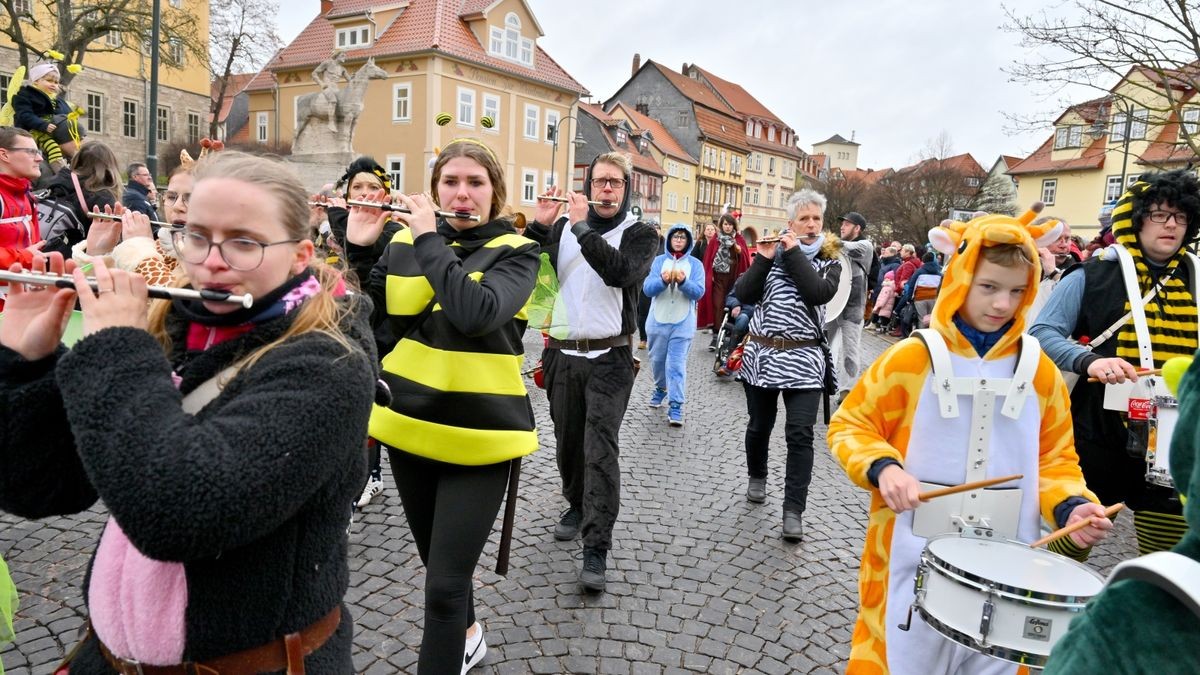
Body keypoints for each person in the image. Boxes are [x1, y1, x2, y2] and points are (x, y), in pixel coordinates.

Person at [0, 151, 377, 673]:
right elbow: (43, 486)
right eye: (195, 235)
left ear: (299, 255)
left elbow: (176, 514)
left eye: (244, 242)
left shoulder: (328, 366)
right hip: (109, 658)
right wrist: (26, 363)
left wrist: (116, 348)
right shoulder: (172, 325)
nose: (212, 260)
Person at [828, 209, 1113, 675]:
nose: (1003, 303)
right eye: (989, 287)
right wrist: (885, 467)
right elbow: (850, 425)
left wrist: (1071, 506)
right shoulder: (910, 359)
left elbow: (1055, 459)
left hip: (1011, 571)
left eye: (1017, 291)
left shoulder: (1040, 372)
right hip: (907, 560)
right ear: (960, 278)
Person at [346, 137, 539, 673]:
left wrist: (427, 236)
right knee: (437, 565)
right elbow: (370, 328)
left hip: (481, 436)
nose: (462, 194)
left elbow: (475, 312)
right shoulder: (402, 243)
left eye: (475, 183)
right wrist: (360, 251)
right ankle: (469, 636)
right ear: (434, 189)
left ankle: (456, 638)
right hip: (409, 426)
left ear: (495, 192)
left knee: (443, 588)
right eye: (450, 182)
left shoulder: (520, 253)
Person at [1030, 170, 1200, 557]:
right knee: (1068, 543)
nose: (1171, 224)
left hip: (1175, 441)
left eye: (1180, 216)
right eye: (1159, 214)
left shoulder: (1198, 280)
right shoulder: (1093, 274)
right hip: (1097, 435)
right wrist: (1087, 362)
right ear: (1137, 219)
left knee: (1167, 561)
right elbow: (1042, 332)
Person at [528, 152, 658, 593]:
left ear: (626, 189)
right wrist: (540, 229)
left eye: (614, 183)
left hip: (611, 357)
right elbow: (540, 286)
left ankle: (596, 547)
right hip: (563, 353)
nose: (606, 189)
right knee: (567, 443)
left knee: (599, 448)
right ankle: (576, 504)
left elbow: (620, 274)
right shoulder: (563, 230)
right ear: (587, 186)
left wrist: (582, 228)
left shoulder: (640, 234)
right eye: (599, 181)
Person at [1043, 355, 1200, 675]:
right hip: (1103, 449)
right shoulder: (1090, 300)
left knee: (1166, 591)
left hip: (1166, 475)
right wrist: (1088, 361)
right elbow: (1047, 331)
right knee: (1058, 571)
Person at [734, 189, 843, 541]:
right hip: (764, 357)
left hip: (805, 359)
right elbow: (744, 294)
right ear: (790, 223)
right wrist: (763, 259)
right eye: (804, 219)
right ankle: (757, 476)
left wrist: (793, 251)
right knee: (759, 426)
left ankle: (793, 509)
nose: (812, 225)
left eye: (817, 220)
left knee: (800, 434)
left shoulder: (831, 261)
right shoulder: (771, 255)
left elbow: (816, 292)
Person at [319, 156, 401, 510]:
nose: (365, 193)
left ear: (384, 195)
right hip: (334, 326)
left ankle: (371, 475)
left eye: (373, 188)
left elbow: (362, 255)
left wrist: (337, 217)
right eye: (358, 188)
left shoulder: (393, 231)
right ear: (348, 192)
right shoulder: (328, 227)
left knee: (371, 407)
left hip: (378, 331)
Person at [643, 224, 705, 426]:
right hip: (658, 322)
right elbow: (647, 289)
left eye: (682, 237)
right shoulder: (658, 261)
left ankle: (676, 405)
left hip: (682, 323)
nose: (678, 240)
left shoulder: (695, 265)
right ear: (669, 239)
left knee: (676, 365)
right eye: (675, 237)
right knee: (658, 360)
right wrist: (662, 280)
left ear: (688, 241)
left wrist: (685, 282)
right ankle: (661, 388)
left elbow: (699, 292)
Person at [42, 141, 122, 257]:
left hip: (42, 250)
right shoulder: (102, 196)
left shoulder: (55, 181)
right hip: (79, 260)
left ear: (78, 158)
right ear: (110, 165)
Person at [827, 212, 874, 404]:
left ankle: (846, 391)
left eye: (847, 224)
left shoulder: (866, 246)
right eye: (842, 223)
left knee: (850, 351)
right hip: (831, 305)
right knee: (822, 346)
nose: (842, 227)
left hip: (853, 309)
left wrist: (827, 241)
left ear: (857, 229)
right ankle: (820, 381)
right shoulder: (835, 245)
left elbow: (847, 247)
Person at [11, 61, 83, 174]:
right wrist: (42, 125)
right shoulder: (25, 95)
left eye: (56, 82)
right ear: (36, 81)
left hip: (54, 132)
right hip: (35, 132)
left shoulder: (57, 100)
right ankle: (61, 172)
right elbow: (25, 115)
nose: (54, 84)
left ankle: (74, 167)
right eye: (49, 80)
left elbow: (67, 115)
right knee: (53, 147)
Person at [0, 128, 42, 310]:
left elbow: (35, 250)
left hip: (20, 306)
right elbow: (29, 255)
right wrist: (24, 257)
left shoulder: (27, 196)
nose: (39, 158)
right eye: (31, 152)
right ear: (4, 155)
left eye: (38, 152)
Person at [703, 214, 750, 350]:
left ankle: (728, 333)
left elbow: (745, 258)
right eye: (725, 224)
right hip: (718, 278)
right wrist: (709, 275)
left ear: (733, 225)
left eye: (730, 224)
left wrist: (739, 250)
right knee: (718, 304)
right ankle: (716, 335)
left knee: (732, 305)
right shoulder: (715, 240)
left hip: (734, 278)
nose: (727, 227)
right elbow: (708, 259)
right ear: (721, 225)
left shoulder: (739, 239)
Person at [312, 51, 349, 133]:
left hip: (336, 89)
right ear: (337, 56)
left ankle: (341, 122)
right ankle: (331, 123)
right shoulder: (327, 63)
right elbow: (314, 73)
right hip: (327, 87)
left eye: (345, 56)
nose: (344, 57)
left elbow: (350, 81)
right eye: (342, 55)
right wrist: (321, 83)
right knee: (333, 100)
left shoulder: (343, 69)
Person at [692, 222, 717, 328]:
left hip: (714, 273)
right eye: (708, 229)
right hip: (702, 272)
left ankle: (712, 320)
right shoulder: (700, 243)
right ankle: (703, 320)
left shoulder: (718, 243)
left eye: (712, 229)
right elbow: (694, 258)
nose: (710, 231)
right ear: (704, 231)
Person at [121, 162, 160, 227]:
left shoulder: (140, 194)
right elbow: (140, 225)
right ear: (135, 177)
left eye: (149, 174)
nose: (150, 177)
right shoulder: (134, 197)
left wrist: (153, 201)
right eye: (145, 175)